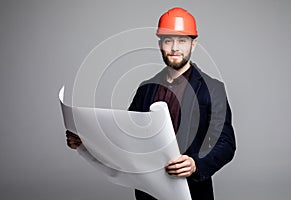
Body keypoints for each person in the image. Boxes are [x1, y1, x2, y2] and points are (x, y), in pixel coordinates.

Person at [66, 7, 236, 200]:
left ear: (193, 44)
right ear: (160, 44)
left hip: (193, 191)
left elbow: (226, 143)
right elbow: (125, 139)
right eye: (168, 40)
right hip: (149, 193)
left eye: (182, 41)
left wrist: (196, 164)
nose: (174, 48)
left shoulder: (213, 89)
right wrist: (86, 143)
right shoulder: (146, 89)